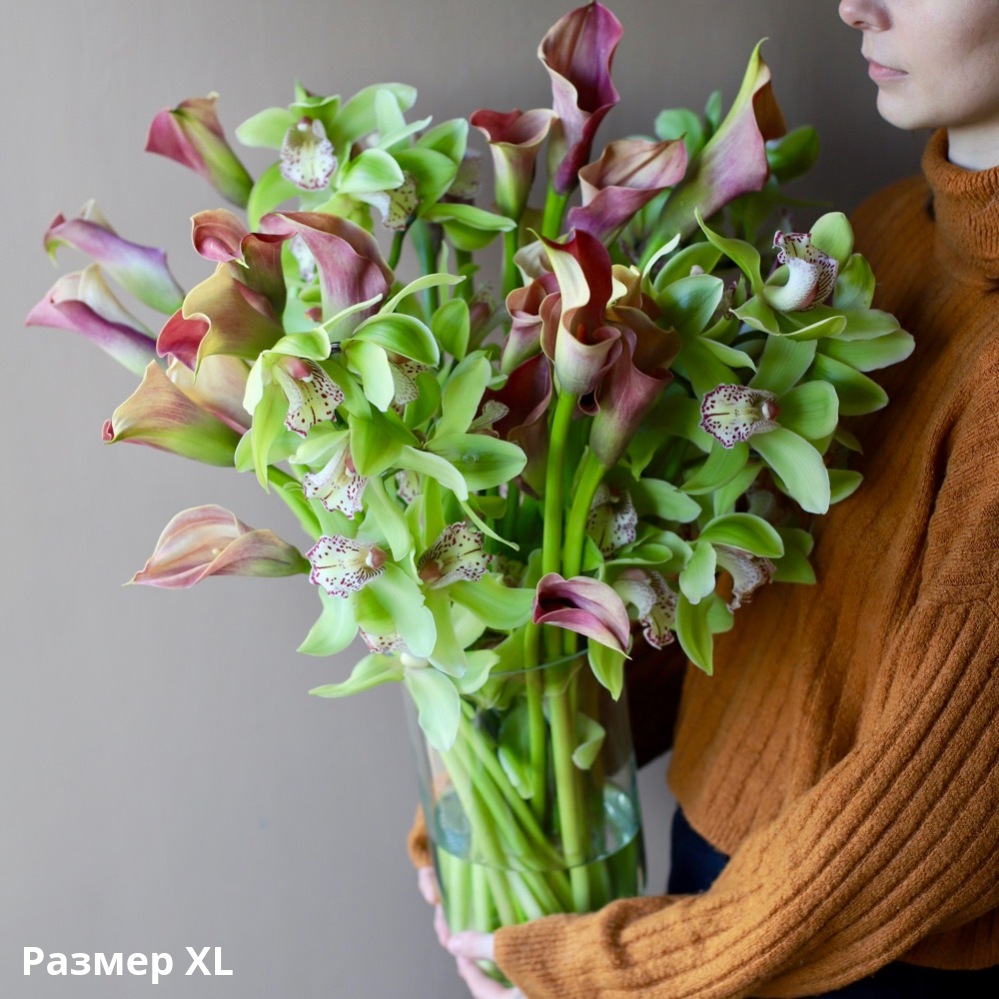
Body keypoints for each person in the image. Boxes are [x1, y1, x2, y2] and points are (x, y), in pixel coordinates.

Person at [414, 1, 999, 995]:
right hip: (716, 897)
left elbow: (935, 810)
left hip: (840, 953)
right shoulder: (877, 242)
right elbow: (745, 587)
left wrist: (615, 969)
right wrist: (500, 752)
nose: (857, 3)